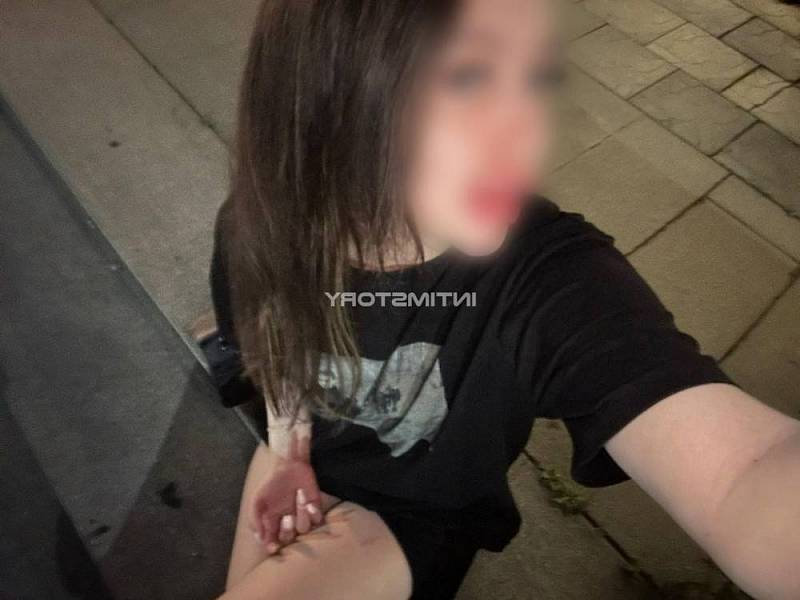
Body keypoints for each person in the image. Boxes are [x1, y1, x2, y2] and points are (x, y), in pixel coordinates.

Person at [202, 0, 800, 598]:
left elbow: (740, 477)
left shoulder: (543, 276)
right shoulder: (258, 230)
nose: (531, 136)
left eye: (538, 79)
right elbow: (274, 353)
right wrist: (289, 452)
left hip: (416, 512)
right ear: (328, 89)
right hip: (301, 456)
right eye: (469, 78)